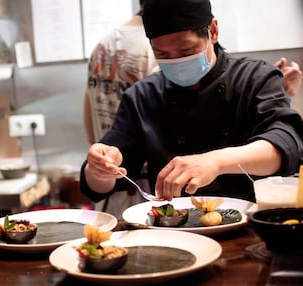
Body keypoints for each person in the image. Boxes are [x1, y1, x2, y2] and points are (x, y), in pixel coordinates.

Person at [80, 0, 303, 205]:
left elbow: (286, 144)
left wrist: (216, 161)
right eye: (163, 54)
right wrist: (99, 170)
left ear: (213, 31)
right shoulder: (142, 95)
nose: (176, 60)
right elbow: (101, 185)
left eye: (186, 50)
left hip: (251, 230)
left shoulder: (256, 77)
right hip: (176, 232)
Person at [83, 0, 158, 217]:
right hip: (144, 192)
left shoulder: (103, 43)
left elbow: (89, 121)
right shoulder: (156, 45)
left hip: (104, 187)